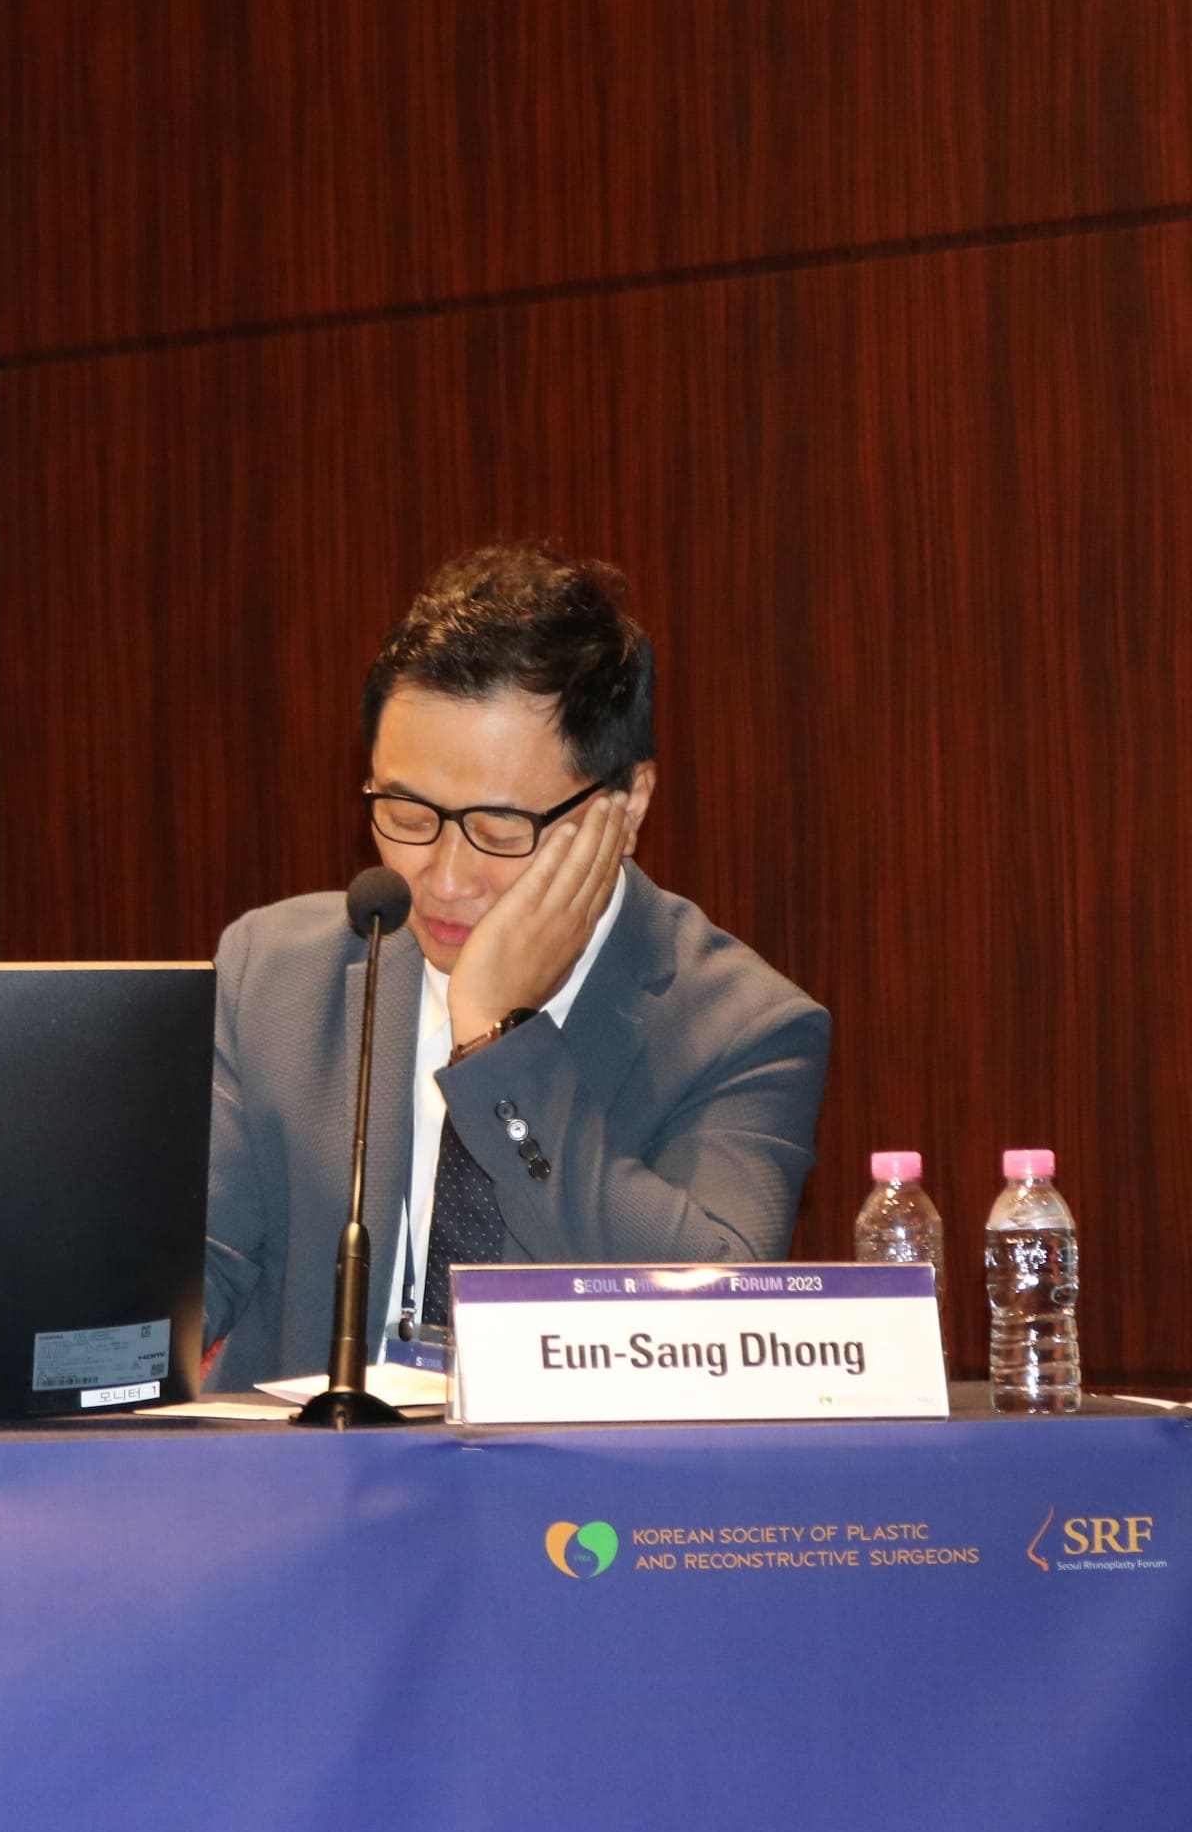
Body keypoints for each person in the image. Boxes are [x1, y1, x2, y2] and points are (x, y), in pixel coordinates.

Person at [201, 548, 829, 1389]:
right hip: (313, 1467)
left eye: (500, 830)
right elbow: (183, 1281)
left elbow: (716, 1324)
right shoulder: (276, 975)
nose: (445, 879)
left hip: (577, 1474)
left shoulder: (742, 1028)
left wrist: (499, 1046)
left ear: (627, 806)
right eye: (406, 814)